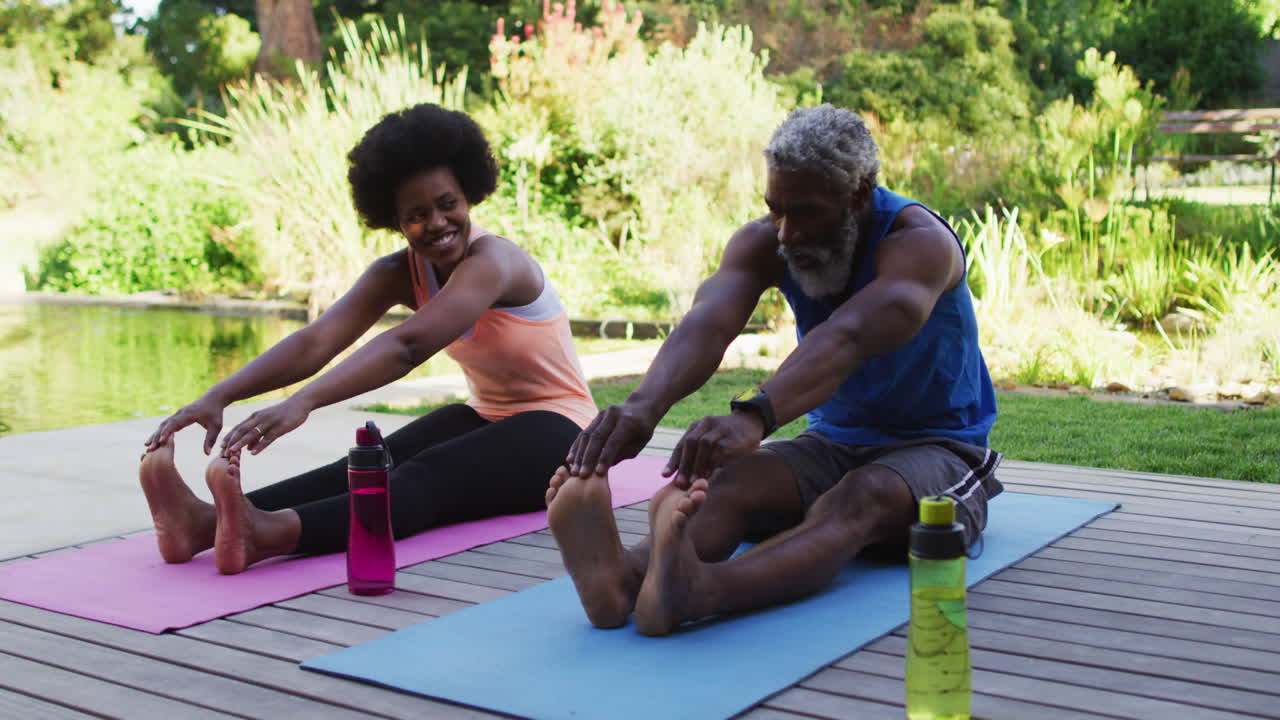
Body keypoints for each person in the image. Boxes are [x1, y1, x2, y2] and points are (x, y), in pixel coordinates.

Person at [546, 104, 1001, 635]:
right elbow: (708, 325)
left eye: (805, 212)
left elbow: (848, 336)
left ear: (857, 196)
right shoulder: (765, 242)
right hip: (833, 442)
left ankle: (699, 592)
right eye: (775, 209)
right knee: (726, 485)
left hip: (940, 447)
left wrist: (757, 413)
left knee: (861, 496)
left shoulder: (919, 245)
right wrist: (642, 408)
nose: (786, 232)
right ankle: (627, 579)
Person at [138, 103, 596, 574]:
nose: (437, 223)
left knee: (427, 478)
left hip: (566, 432)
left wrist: (303, 402)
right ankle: (205, 524)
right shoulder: (397, 273)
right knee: (366, 464)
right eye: (416, 215)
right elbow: (317, 341)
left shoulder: (494, 263)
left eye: (447, 204)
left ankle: (271, 534)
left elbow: (407, 346)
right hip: (486, 417)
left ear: (469, 194)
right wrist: (218, 396)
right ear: (393, 220)